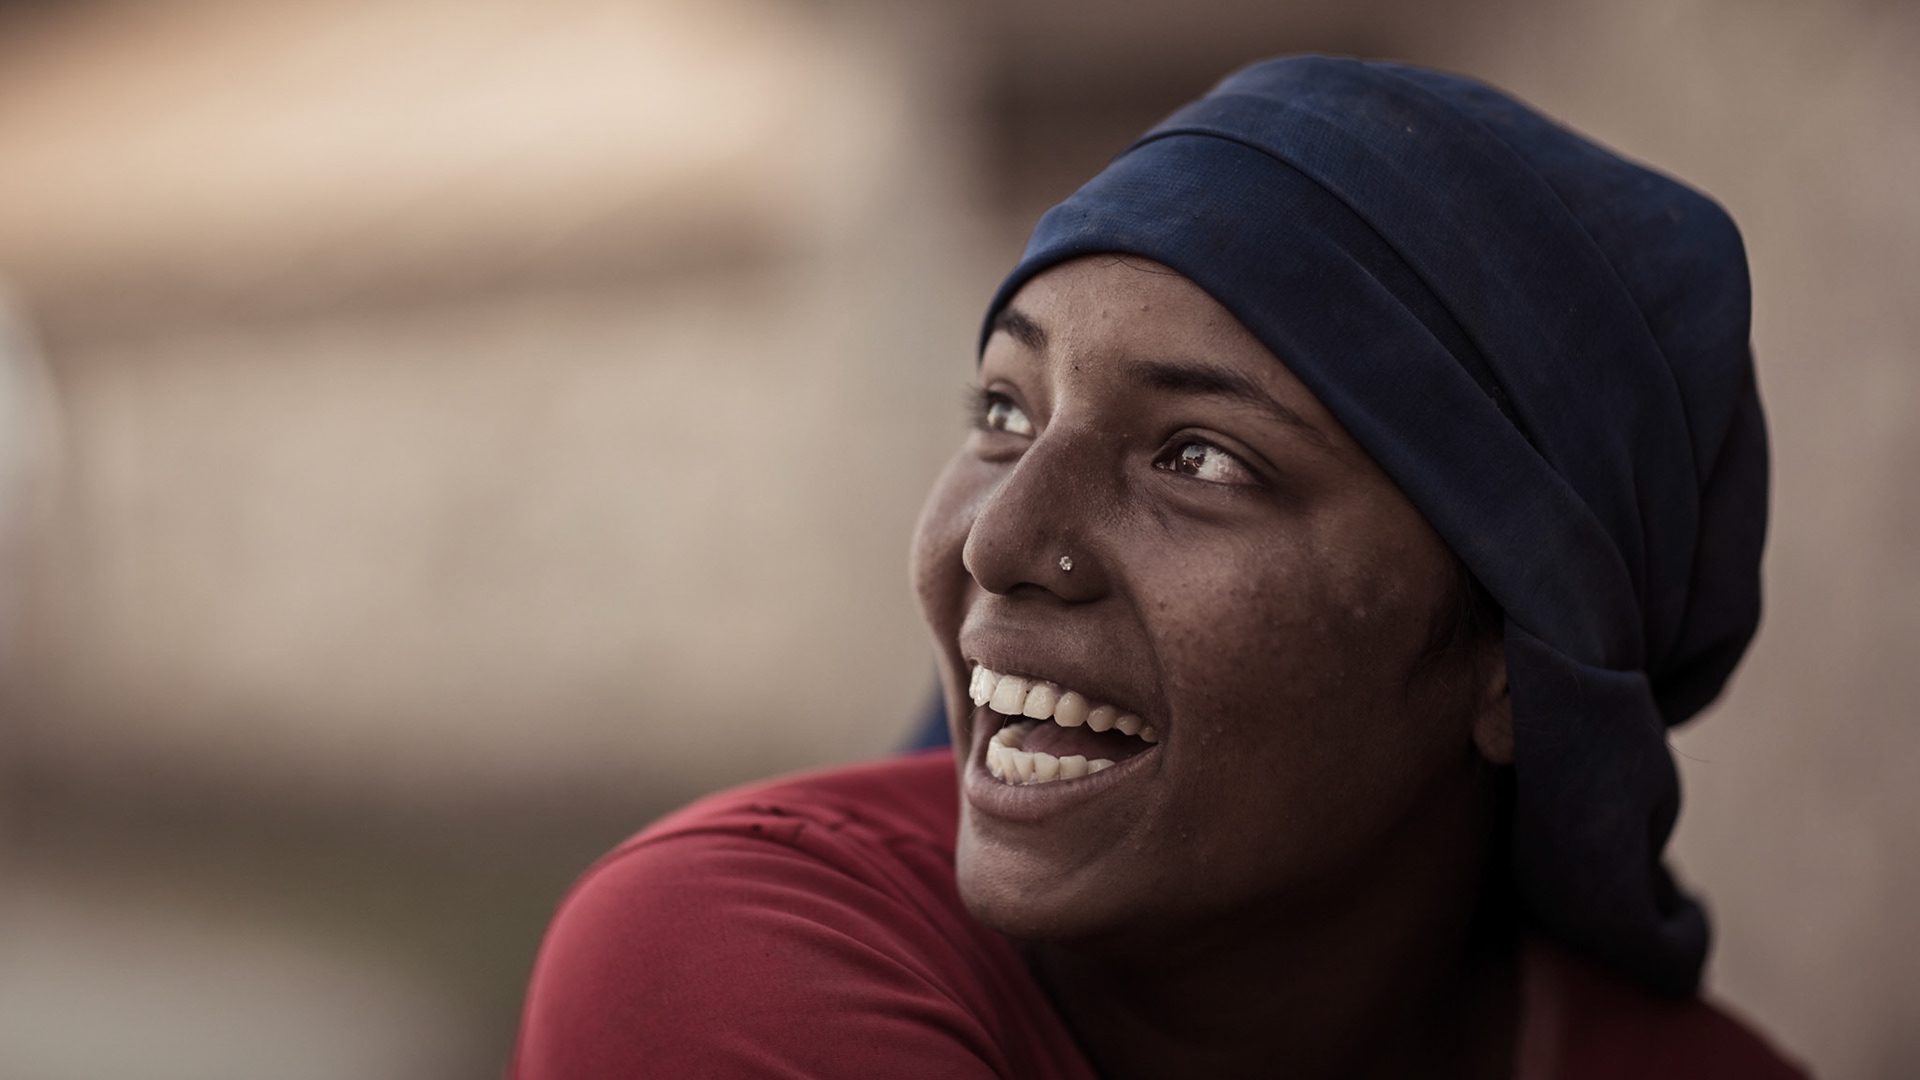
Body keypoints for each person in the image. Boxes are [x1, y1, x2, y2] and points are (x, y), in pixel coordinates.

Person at [510, 56, 1806, 1078]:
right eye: (1005, 413)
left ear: (1517, 662)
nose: (1000, 543)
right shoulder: (740, 966)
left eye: (1201, 457)